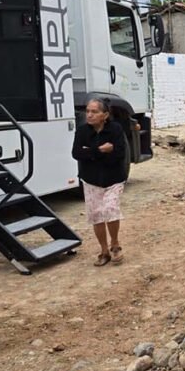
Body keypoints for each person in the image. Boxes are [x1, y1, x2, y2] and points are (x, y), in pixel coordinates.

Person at [72, 98, 127, 266]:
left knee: (110, 209)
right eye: (88, 111)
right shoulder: (82, 131)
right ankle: (104, 251)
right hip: (91, 180)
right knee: (96, 215)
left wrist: (91, 153)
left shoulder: (115, 129)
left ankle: (115, 244)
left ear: (105, 115)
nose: (89, 115)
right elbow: (76, 153)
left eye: (94, 112)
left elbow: (119, 153)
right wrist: (100, 150)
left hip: (114, 178)